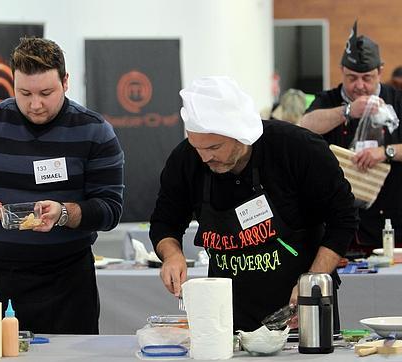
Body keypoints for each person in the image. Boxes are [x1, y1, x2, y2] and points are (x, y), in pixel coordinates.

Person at [0, 37, 124, 334]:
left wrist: (64, 213)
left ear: (66, 82)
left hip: (66, 285)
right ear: (13, 85)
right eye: (25, 93)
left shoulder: (94, 132)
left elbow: (110, 210)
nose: (35, 104)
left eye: (46, 92)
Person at [149, 76, 358, 333]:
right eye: (197, 147)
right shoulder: (185, 160)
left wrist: (311, 284)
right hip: (226, 316)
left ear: (241, 135)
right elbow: (165, 221)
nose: (205, 158)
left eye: (214, 147)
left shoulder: (297, 149)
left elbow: (344, 218)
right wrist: (172, 256)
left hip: (300, 308)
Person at [300, 21, 402, 252]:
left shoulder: (399, 101)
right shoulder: (328, 101)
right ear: (342, 71)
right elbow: (304, 126)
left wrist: (386, 152)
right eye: (352, 78)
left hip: (391, 222)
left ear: (380, 71)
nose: (359, 85)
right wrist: (347, 111)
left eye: (367, 77)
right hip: (338, 222)